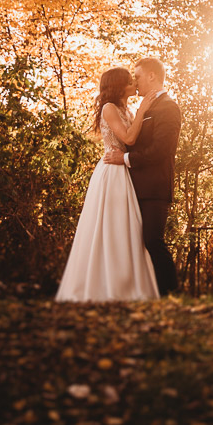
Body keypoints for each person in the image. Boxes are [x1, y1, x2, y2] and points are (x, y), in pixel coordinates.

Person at [57, 67, 159, 302]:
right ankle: (101, 284)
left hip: (124, 169)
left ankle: (125, 282)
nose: (135, 83)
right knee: (109, 225)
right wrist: (144, 109)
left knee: (127, 227)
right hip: (111, 172)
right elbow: (129, 138)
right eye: (130, 80)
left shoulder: (127, 109)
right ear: (119, 85)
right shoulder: (109, 108)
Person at [103, 57, 182, 296]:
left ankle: (170, 293)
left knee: (152, 240)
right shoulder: (142, 108)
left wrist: (125, 160)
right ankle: (143, 292)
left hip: (154, 188)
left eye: (137, 76)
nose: (134, 81)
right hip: (134, 186)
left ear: (151, 76)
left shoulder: (168, 107)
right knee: (136, 243)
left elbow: (161, 150)